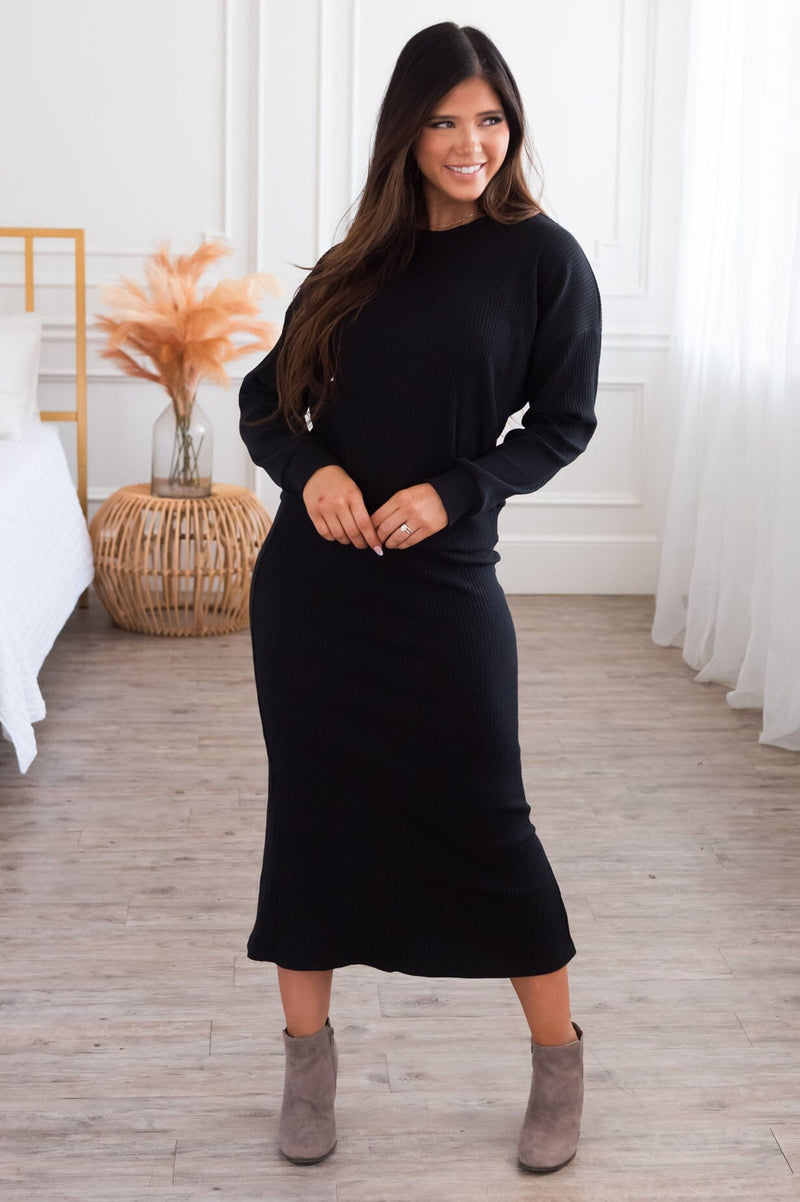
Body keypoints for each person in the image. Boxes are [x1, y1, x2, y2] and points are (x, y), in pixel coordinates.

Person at [238, 20, 602, 1177]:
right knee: (311, 817)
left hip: (444, 587)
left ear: (511, 126)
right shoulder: (352, 262)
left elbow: (561, 424)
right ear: (406, 130)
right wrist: (311, 470)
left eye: (488, 119)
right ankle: (307, 1067)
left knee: (489, 816)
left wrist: (455, 490)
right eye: (443, 120)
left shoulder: (544, 259)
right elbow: (263, 404)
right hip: (314, 593)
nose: (468, 143)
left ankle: (557, 1062)